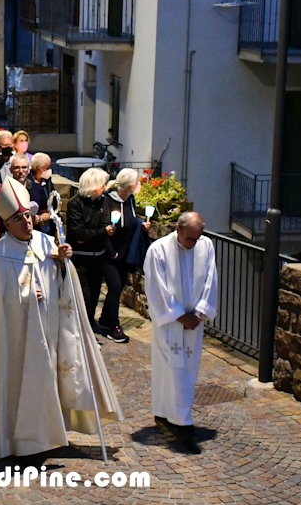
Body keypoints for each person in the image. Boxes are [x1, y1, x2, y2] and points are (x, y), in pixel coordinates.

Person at [0, 177, 122, 459]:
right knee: (19, 383)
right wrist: (28, 298)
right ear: (6, 224)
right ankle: (18, 440)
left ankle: (49, 435)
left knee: (52, 378)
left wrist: (65, 262)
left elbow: (64, 287)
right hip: (17, 339)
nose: (27, 222)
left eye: (28, 216)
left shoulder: (47, 244)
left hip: (50, 329)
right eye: (18, 218)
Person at [144, 212, 217, 454]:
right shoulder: (158, 250)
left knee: (188, 369)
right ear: (177, 229)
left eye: (197, 238)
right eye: (189, 239)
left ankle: (165, 412)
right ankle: (183, 423)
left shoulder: (206, 246)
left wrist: (200, 312)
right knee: (173, 369)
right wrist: (179, 315)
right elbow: (157, 287)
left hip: (193, 321)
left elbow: (210, 280)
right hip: (170, 322)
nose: (193, 244)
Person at [66, 169, 128, 343]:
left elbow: (105, 223)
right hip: (80, 258)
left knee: (94, 296)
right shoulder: (75, 204)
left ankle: (88, 329)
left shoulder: (102, 202)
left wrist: (103, 231)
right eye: (102, 185)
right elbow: (79, 234)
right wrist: (102, 232)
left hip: (97, 257)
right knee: (83, 297)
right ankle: (81, 335)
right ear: (93, 186)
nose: (104, 188)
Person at [105, 168, 151, 297]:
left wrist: (140, 224)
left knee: (118, 289)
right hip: (111, 252)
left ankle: (108, 317)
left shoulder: (130, 200)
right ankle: (110, 318)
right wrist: (112, 253)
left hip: (125, 252)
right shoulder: (107, 200)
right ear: (131, 185)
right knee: (114, 287)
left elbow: (131, 218)